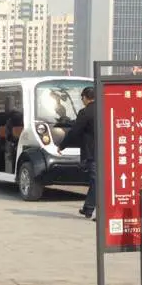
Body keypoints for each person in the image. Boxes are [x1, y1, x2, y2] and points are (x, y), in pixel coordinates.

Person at [58, 86, 97, 220]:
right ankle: (88, 208)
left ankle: (95, 210)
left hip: (93, 152)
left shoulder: (85, 113)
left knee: (96, 181)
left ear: (85, 98)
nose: (82, 100)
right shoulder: (105, 108)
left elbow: (75, 132)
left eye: (82, 98)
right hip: (108, 152)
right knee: (97, 181)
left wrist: (62, 146)